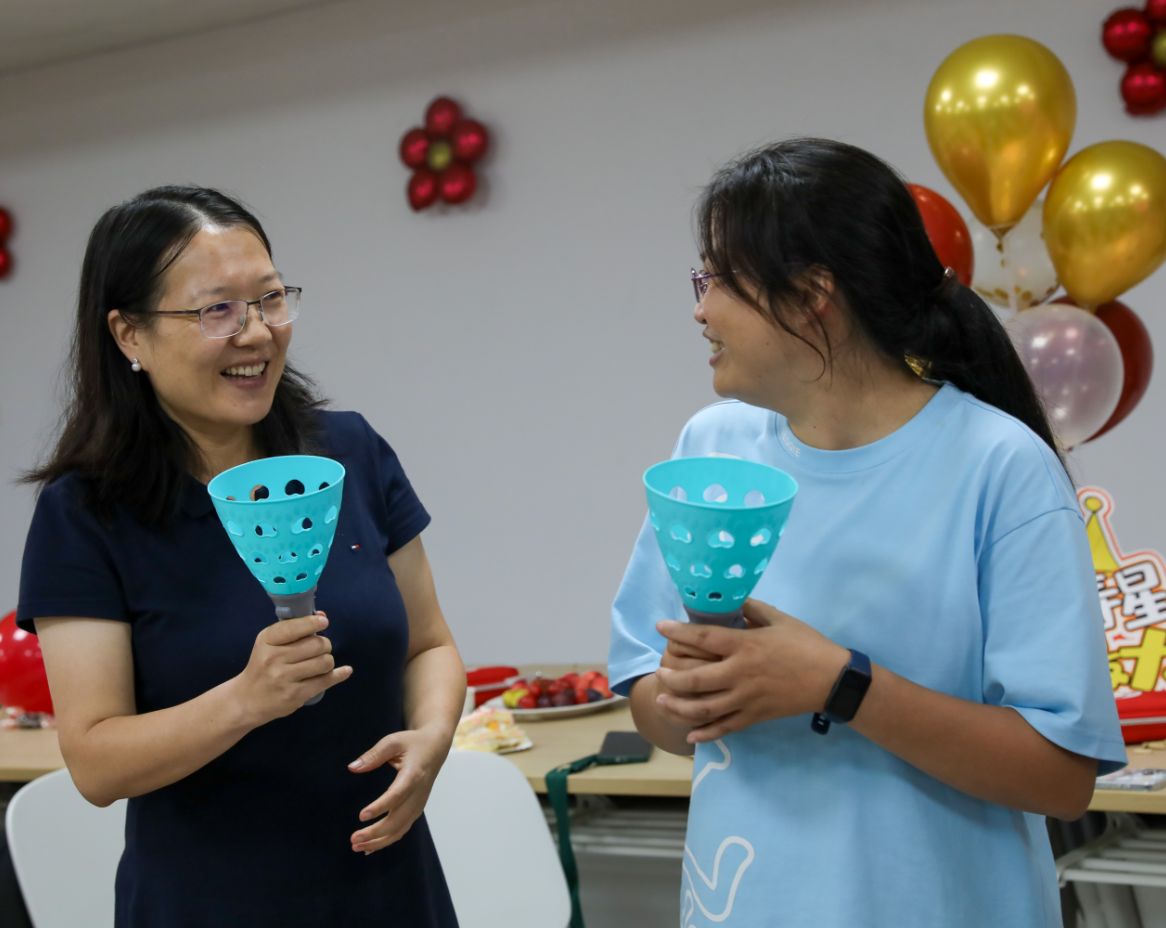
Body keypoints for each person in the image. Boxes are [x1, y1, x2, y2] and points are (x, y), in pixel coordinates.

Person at [608, 139, 1126, 927]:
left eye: (716, 280)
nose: (699, 310)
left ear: (811, 294)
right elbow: (652, 706)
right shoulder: (711, 451)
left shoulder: (999, 466)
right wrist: (691, 694)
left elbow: (1060, 778)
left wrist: (838, 683)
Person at [16, 186, 465, 927]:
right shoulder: (87, 513)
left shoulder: (349, 452)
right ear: (129, 335)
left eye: (270, 299)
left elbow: (430, 645)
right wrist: (244, 701)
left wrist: (433, 736)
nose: (256, 333)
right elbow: (94, 761)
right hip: (210, 903)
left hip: (390, 889)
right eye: (216, 310)